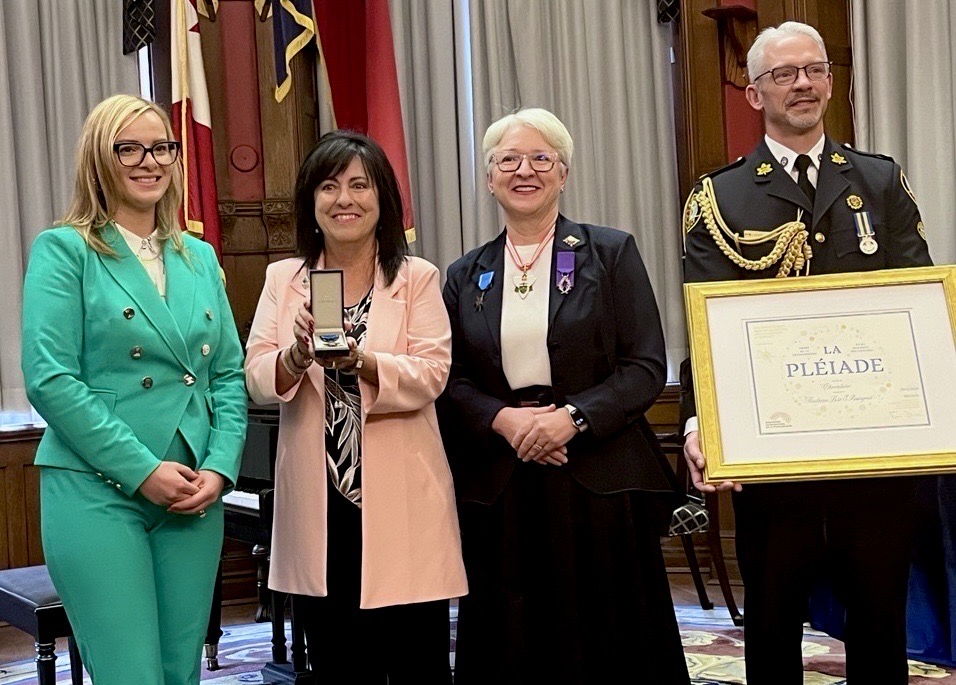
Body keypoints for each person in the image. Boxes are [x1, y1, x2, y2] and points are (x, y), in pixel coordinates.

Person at [680, 21, 933, 684]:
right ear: (755, 92)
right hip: (773, 458)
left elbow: (919, 312)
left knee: (881, 621)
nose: (803, 84)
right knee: (771, 623)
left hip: (874, 454)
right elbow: (706, 323)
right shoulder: (720, 197)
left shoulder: (878, 184)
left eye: (814, 70)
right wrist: (698, 420)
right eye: (785, 74)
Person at [440, 107, 689, 685]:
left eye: (541, 158)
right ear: (489, 177)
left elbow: (645, 365)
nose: (524, 170)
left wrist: (570, 419)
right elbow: (450, 380)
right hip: (502, 475)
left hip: (596, 472)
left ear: (564, 172)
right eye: (508, 159)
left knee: (608, 637)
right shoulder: (464, 273)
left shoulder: (610, 252)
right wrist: (506, 422)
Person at [20, 94, 247, 685]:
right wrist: (143, 470)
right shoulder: (65, 249)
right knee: (130, 675)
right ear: (101, 158)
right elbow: (49, 377)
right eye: (130, 148)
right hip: (98, 489)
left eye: (163, 147)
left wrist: (220, 469)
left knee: (180, 674)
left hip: (193, 493)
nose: (151, 161)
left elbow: (226, 374)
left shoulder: (198, 257)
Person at [244, 130, 467, 684]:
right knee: (339, 665)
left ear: (382, 200)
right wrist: (297, 354)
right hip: (321, 507)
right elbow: (255, 380)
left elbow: (433, 374)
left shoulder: (417, 279)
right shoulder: (284, 279)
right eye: (329, 186)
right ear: (311, 203)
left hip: (402, 503)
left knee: (418, 666)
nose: (345, 199)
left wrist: (363, 361)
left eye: (359, 185)